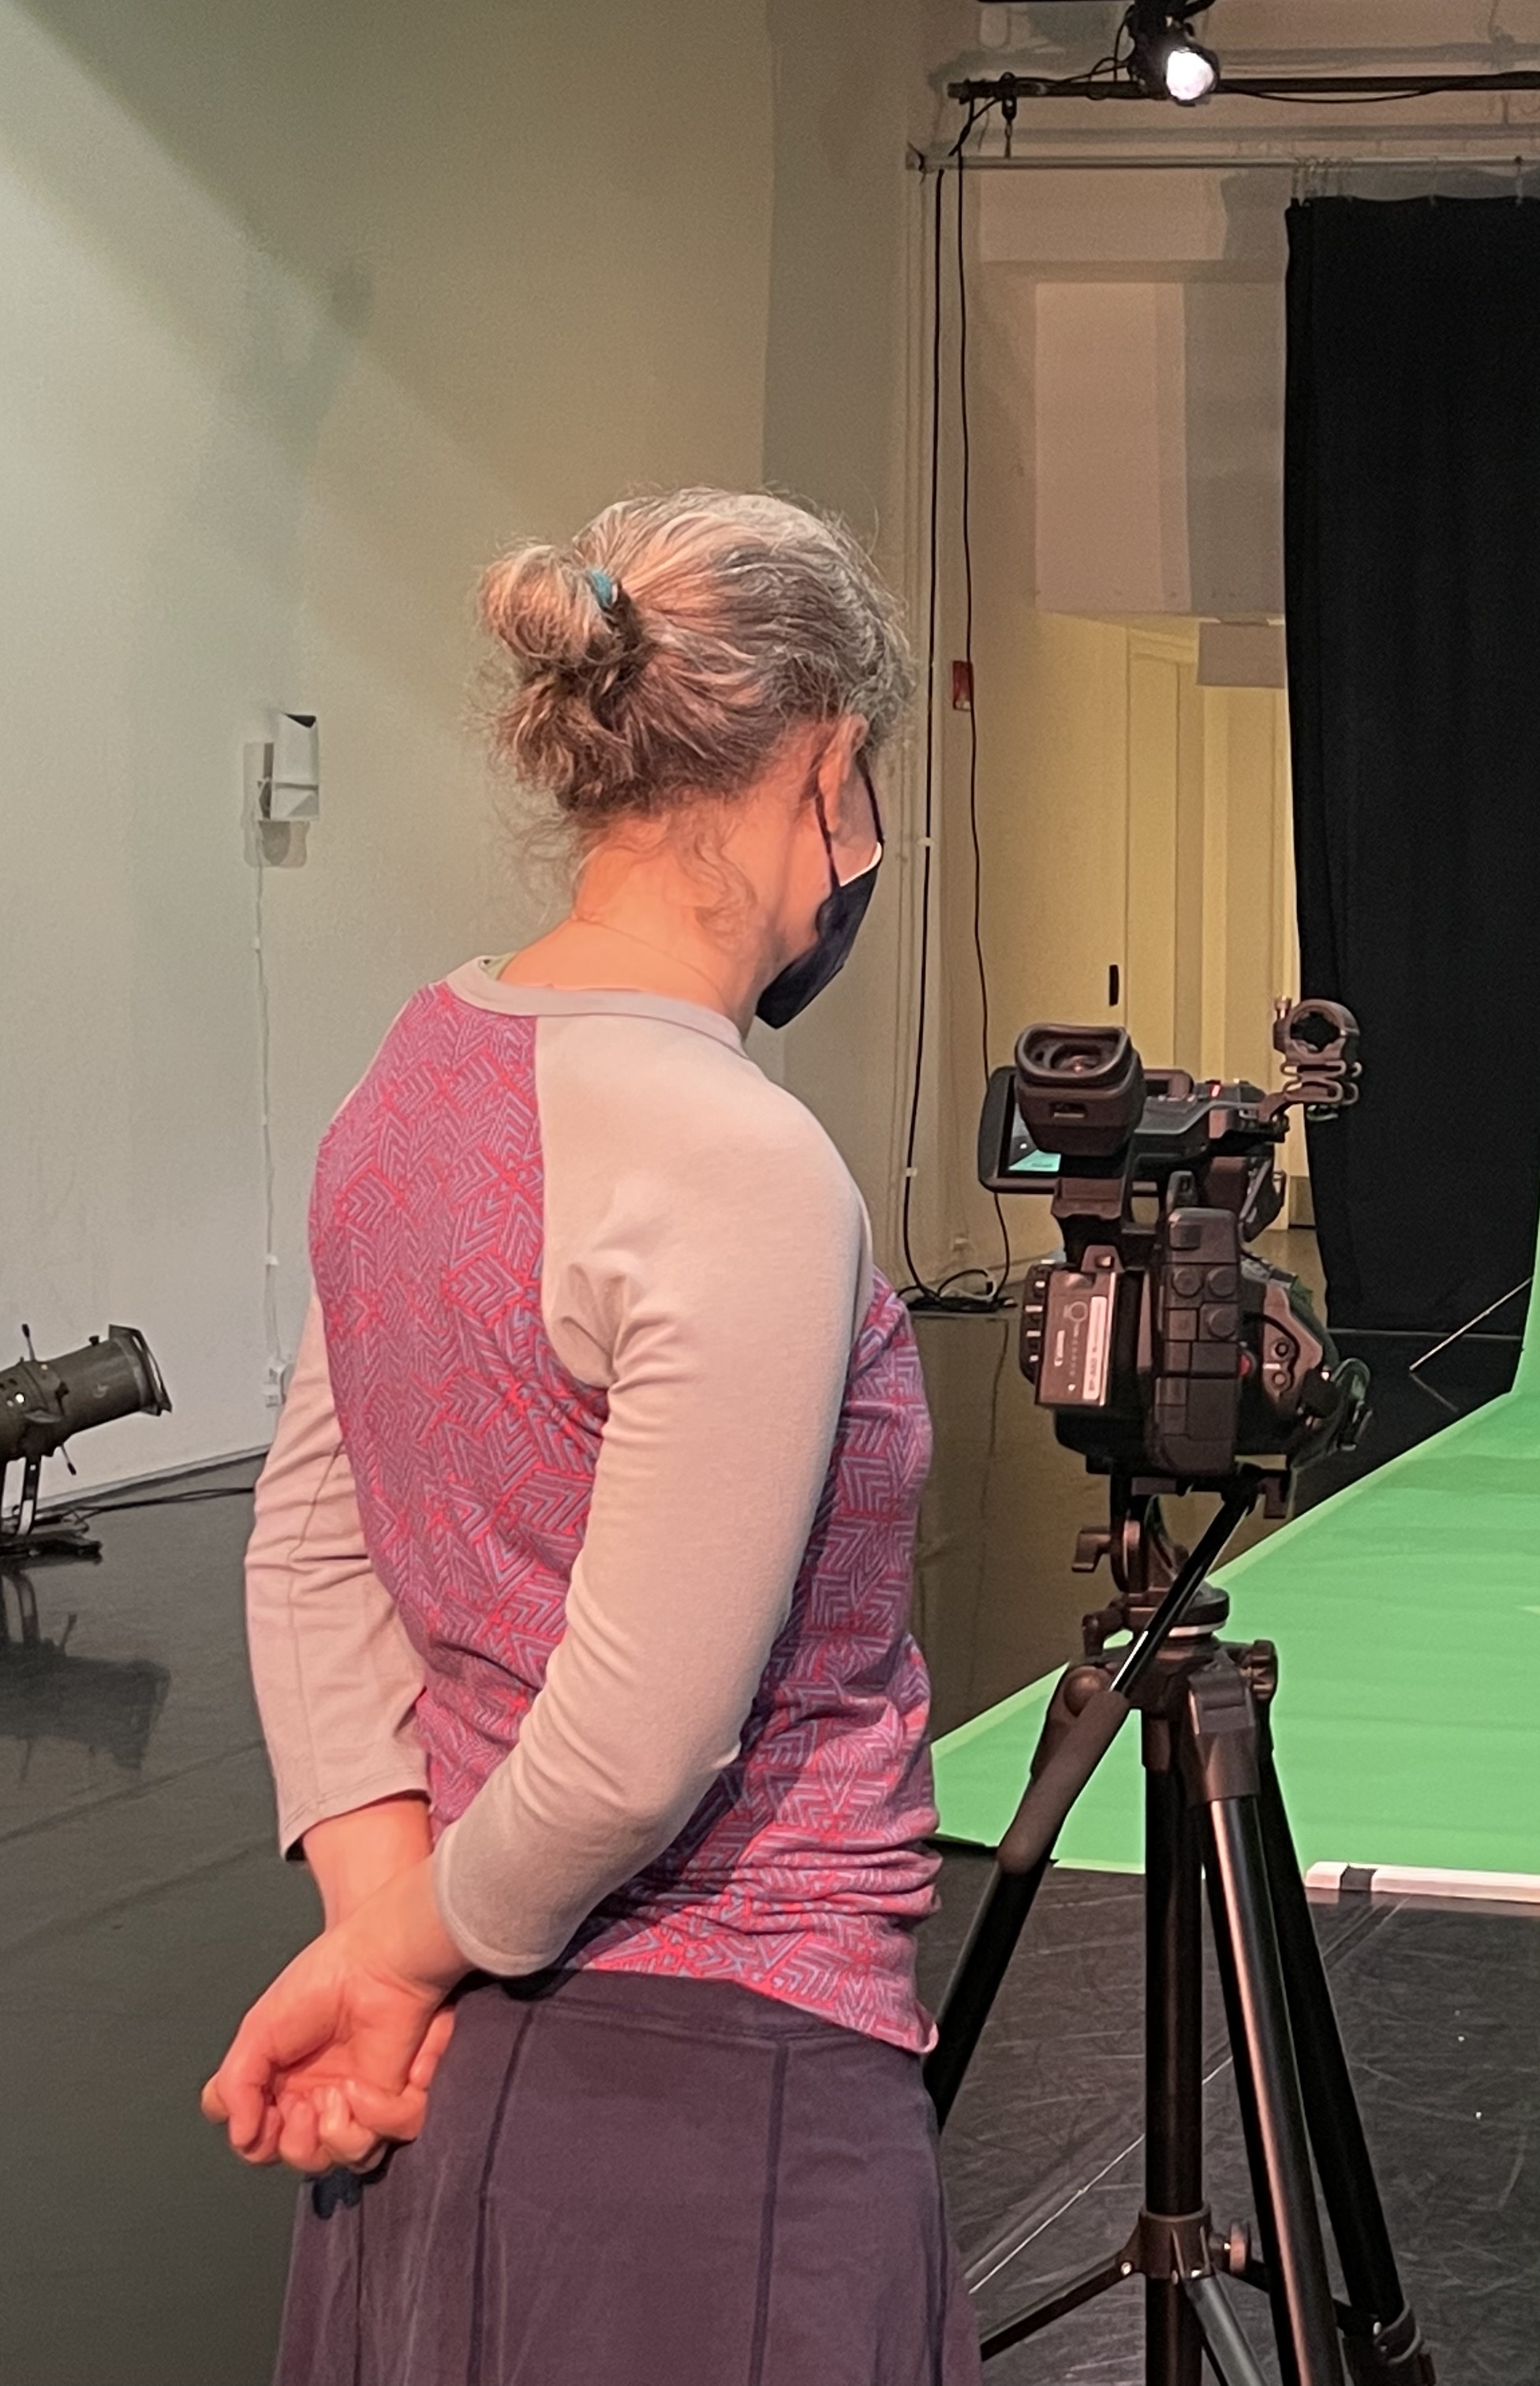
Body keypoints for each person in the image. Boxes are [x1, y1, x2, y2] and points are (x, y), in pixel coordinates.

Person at [204, 490, 977, 2383]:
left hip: (452, 2078)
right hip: (726, 2107)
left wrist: (393, 1941)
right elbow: (635, 1752)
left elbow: (309, 1555)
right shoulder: (736, 1157)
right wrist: (390, 1966)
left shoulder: (418, 1068)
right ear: (829, 765)